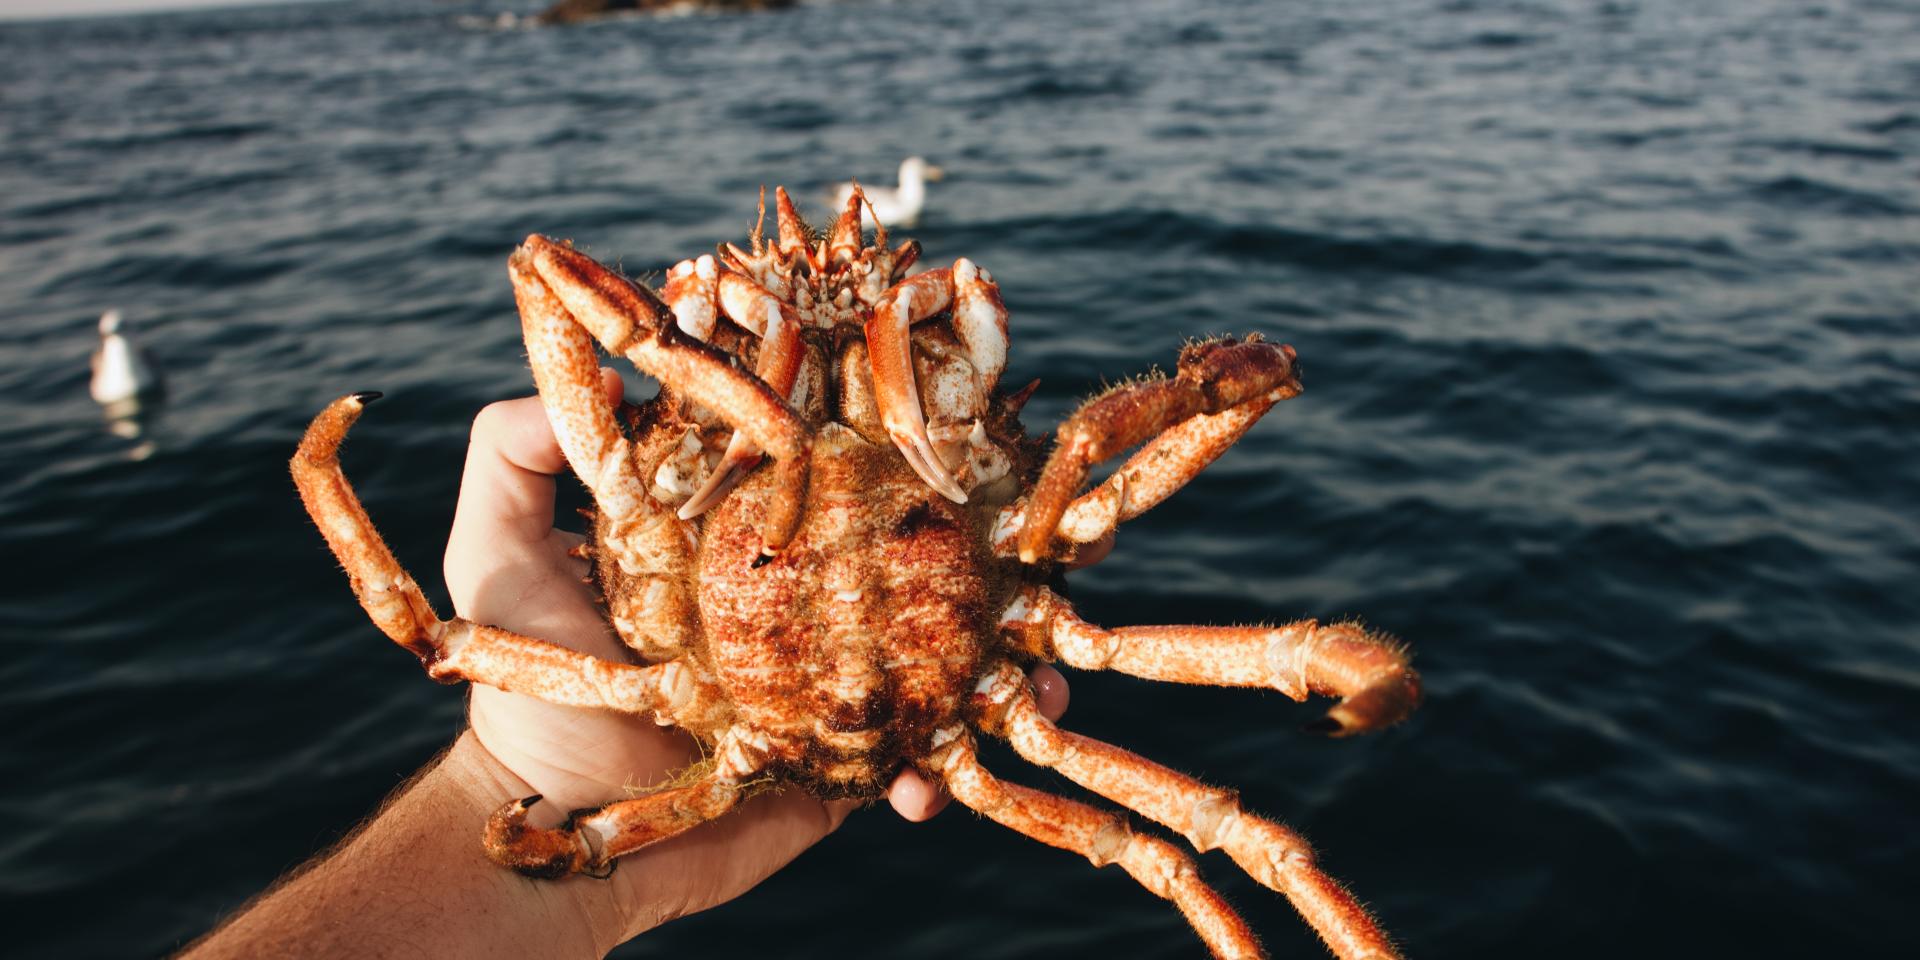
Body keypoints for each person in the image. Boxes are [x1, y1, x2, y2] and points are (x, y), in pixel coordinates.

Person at [184, 374, 1099, 959]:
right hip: (710, 730)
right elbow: (442, 640)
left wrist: (512, 793)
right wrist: (527, 791)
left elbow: (437, 636)